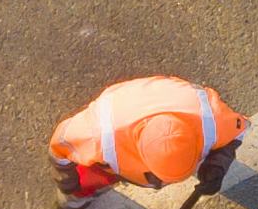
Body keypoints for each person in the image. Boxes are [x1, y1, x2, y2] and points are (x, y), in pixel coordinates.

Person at [47, 74, 242, 201]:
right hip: (122, 108)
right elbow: (59, 147)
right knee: (82, 186)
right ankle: (70, 203)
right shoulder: (97, 136)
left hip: (163, 97)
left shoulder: (213, 120)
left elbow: (238, 131)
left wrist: (217, 165)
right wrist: (68, 182)